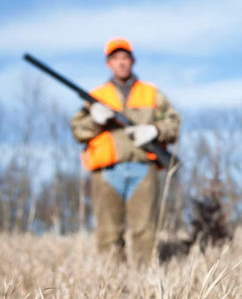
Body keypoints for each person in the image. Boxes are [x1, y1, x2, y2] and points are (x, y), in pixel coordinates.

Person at [70, 37, 180, 265]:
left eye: (125, 58)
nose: (121, 62)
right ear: (108, 64)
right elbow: (77, 130)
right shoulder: (96, 96)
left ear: (132, 61)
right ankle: (113, 289)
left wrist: (155, 130)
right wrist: (95, 121)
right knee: (108, 233)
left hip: (143, 168)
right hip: (107, 171)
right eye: (115, 58)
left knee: (145, 231)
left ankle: (144, 285)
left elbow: (174, 123)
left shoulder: (151, 93)